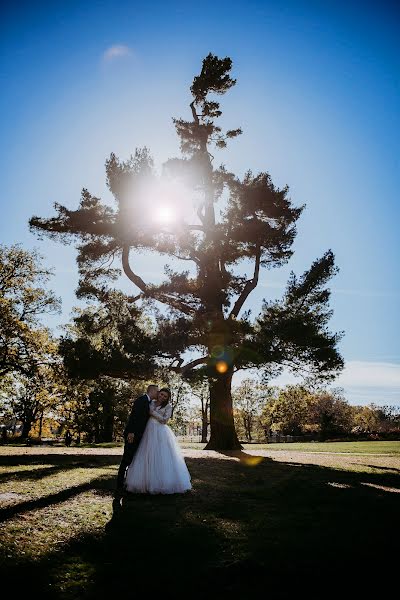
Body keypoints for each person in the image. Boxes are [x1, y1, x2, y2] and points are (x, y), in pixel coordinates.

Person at [125, 387, 192, 494]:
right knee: (146, 454)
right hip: (148, 430)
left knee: (161, 455)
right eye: (161, 394)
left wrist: (153, 413)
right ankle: (145, 482)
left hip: (160, 431)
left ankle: (162, 483)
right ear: (158, 394)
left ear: (167, 398)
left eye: (165, 396)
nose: (162, 397)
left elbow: (165, 420)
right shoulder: (151, 402)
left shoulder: (168, 407)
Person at [115, 384, 159, 495]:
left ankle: (127, 482)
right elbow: (134, 417)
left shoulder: (149, 402)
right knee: (127, 459)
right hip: (133, 434)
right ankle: (119, 484)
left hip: (139, 435)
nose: (158, 394)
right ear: (152, 391)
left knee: (133, 459)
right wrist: (131, 432)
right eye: (157, 392)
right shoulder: (141, 400)